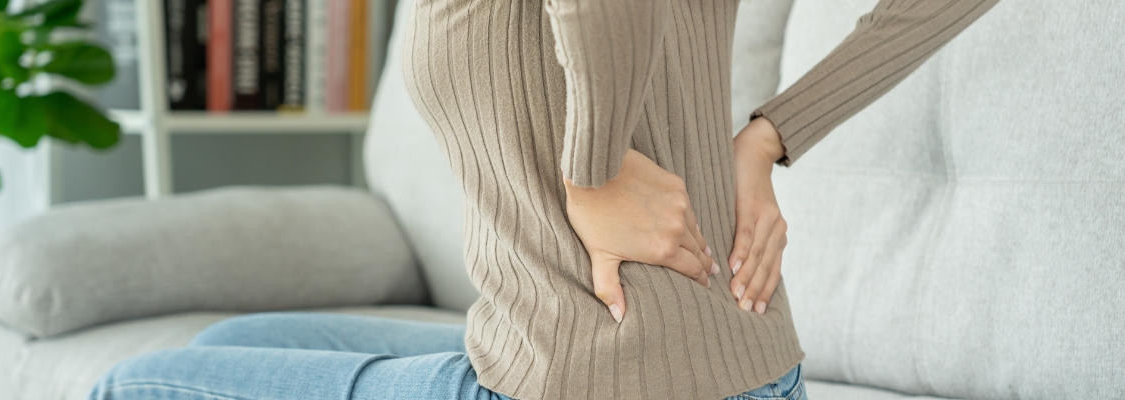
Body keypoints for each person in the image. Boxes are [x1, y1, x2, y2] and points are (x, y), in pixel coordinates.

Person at [90, 0, 998, 399]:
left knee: (134, 389)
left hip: (579, 385)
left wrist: (592, 171)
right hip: (758, 374)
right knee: (234, 345)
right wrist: (766, 136)